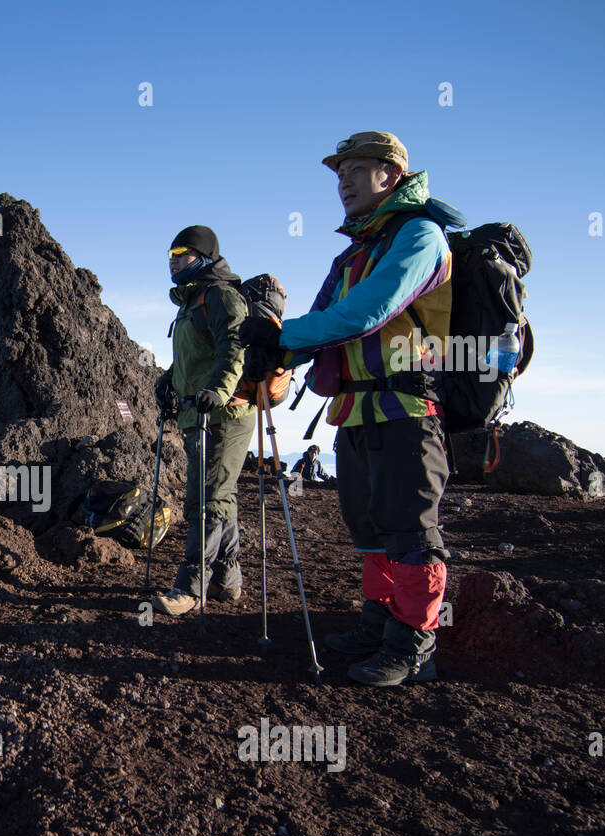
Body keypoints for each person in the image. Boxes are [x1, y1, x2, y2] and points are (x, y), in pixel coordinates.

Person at [242, 131, 466, 686]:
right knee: (369, 529)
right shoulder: (354, 252)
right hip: (355, 412)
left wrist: (281, 333)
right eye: (339, 172)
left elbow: (365, 313)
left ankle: (415, 644)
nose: (342, 181)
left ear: (390, 175)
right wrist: (272, 347)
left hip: (407, 410)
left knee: (411, 531)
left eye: (355, 169)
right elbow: (321, 319)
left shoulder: (419, 237)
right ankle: (378, 625)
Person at [151, 226, 255, 616]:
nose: (174, 258)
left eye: (183, 251)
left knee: (206, 498)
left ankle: (190, 587)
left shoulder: (221, 296)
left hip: (224, 415)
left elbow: (234, 348)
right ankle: (227, 580)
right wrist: (169, 381)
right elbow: (194, 357)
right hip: (198, 414)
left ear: (206, 257)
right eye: (171, 252)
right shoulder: (192, 301)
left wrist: (220, 391)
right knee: (218, 496)